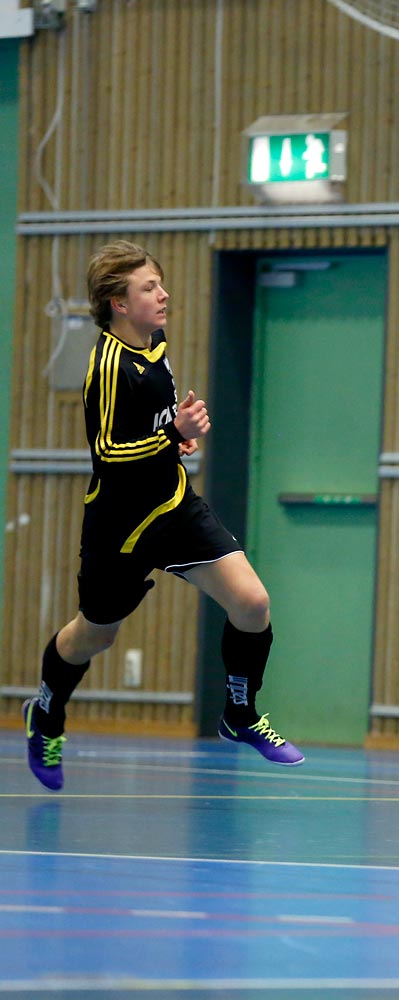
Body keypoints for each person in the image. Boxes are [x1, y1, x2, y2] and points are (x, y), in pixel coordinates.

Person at [21, 240, 303, 791]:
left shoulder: (156, 343)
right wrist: (171, 435)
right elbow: (107, 452)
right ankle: (47, 713)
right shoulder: (106, 365)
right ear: (118, 303)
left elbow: (152, 429)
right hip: (120, 526)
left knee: (252, 602)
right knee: (92, 636)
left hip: (174, 507)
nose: (163, 292)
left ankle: (239, 715)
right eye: (149, 287)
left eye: (159, 282)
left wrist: (178, 436)